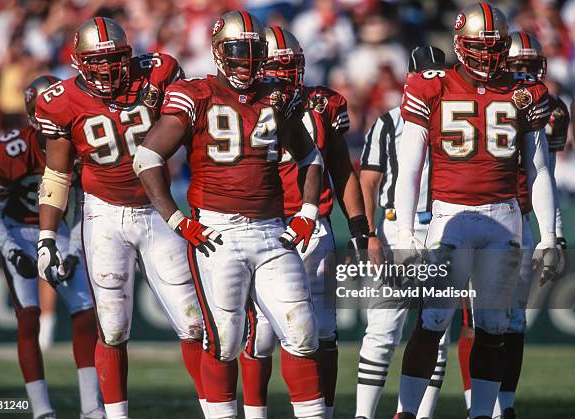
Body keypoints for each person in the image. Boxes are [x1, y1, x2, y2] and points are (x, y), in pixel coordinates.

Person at [134, 11, 325, 419]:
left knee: (303, 334)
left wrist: (307, 211)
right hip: (217, 232)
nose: (248, 60)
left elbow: (310, 155)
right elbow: (147, 157)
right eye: (239, 51)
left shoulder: (275, 94)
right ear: (219, 52)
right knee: (224, 341)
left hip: (273, 231)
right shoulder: (196, 93)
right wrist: (176, 219)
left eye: (255, 52)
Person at [33, 17, 206, 419]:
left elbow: (178, 93)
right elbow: (57, 174)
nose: (109, 69)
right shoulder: (58, 101)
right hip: (104, 213)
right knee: (112, 329)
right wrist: (46, 237)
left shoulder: (157, 73)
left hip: (159, 210)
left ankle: (216, 410)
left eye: (115, 59)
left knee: (193, 322)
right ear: (79, 62)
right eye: (98, 61)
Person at [393, 3, 558, 418]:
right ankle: (406, 412)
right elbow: (409, 166)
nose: (487, 55)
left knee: (494, 326)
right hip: (450, 216)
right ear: (458, 45)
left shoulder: (526, 92)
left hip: (504, 217)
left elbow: (539, 169)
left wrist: (550, 236)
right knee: (432, 321)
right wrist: (403, 231)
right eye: (477, 47)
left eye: (495, 47)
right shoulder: (430, 85)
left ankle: (482, 413)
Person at [238, 26, 370, 419]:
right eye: (276, 67)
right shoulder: (238, 105)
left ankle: (322, 413)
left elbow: (343, 169)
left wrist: (360, 226)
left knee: (323, 333)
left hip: (314, 228)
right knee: (259, 333)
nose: (284, 76)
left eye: (290, 66)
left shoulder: (324, 104)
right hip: (263, 225)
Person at [457, 31, 570, 419]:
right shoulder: (485, 96)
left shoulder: (548, 107)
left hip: (519, 216)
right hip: (479, 213)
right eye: (516, 66)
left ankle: (505, 405)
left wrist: (552, 234)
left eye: (529, 67)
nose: (523, 75)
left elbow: (546, 173)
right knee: (475, 319)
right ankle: (477, 406)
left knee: (514, 319)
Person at [0, 75, 104, 419]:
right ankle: (41, 409)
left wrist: (76, 251)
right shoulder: (11, 149)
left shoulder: (81, 145)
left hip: (58, 230)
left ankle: (92, 407)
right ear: (33, 115)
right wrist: (11, 249)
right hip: (19, 230)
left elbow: (82, 206)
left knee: (85, 315)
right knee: (28, 318)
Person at [356, 45, 449, 419]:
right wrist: (369, 235)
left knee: (436, 332)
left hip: (443, 227)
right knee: (382, 330)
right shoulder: (390, 121)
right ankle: (363, 415)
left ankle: (416, 414)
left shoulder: (458, 118)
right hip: (396, 227)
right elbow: (369, 182)